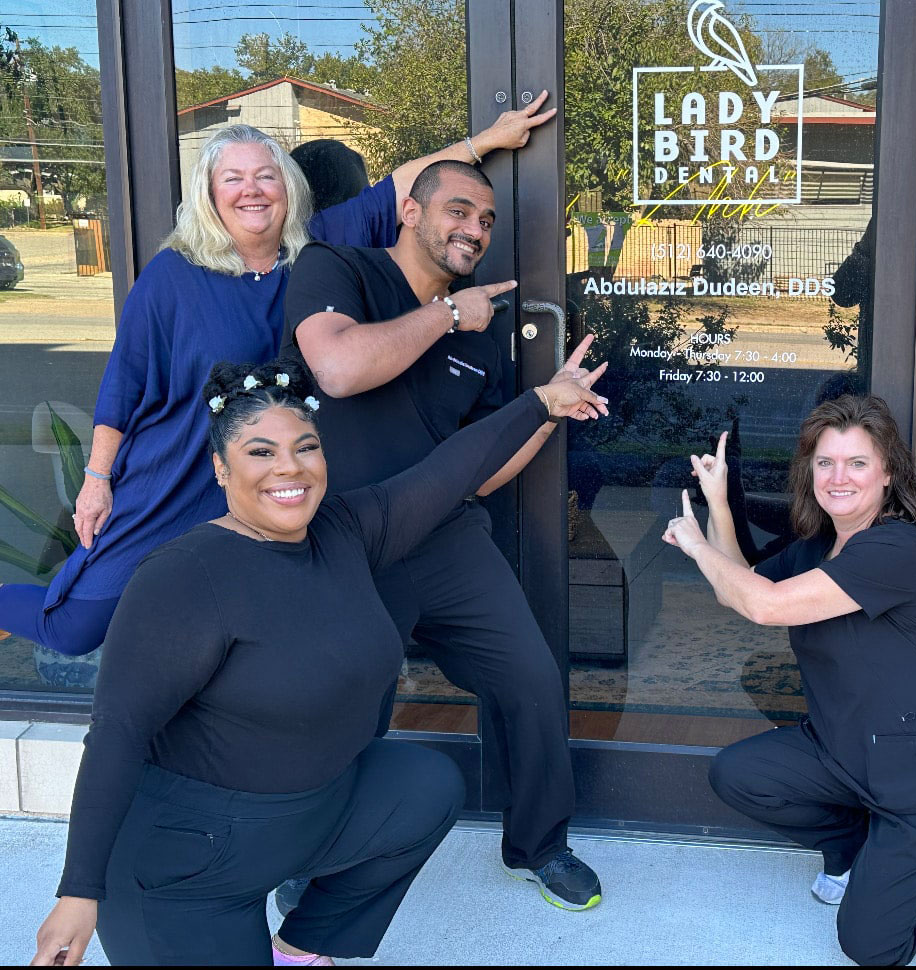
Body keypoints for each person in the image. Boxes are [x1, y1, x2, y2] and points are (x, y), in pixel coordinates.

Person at [29, 355, 608, 967]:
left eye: (306, 447)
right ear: (220, 469)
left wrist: (541, 402)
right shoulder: (182, 577)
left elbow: (447, 473)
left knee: (426, 785)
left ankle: (301, 947)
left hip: (308, 819)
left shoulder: (344, 530)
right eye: (260, 452)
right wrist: (78, 891)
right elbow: (118, 735)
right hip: (188, 864)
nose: (290, 467)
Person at [0, 94, 556, 658]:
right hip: (175, 474)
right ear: (210, 195)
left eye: (266, 176)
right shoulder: (173, 274)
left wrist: (486, 140)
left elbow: (398, 190)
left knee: (228, 632)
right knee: (77, 628)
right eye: (233, 178)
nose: (252, 190)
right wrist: (96, 479)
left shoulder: (312, 249)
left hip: (263, 481)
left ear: (287, 187)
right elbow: (124, 383)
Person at [283, 158, 603, 911]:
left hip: (447, 540)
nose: (476, 230)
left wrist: (548, 409)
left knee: (530, 679)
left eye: (487, 220)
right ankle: (315, 847)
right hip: (349, 537)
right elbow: (335, 367)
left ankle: (539, 845)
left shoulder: (486, 344)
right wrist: (451, 314)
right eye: (460, 211)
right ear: (411, 213)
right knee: (350, 705)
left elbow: (483, 472)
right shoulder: (340, 270)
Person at [662, 395, 916, 966]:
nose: (839, 477)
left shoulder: (897, 548)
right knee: (739, 774)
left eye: (858, 462)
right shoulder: (818, 549)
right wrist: (717, 501)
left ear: (888, 474)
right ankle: (855, 848)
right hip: (847, 751)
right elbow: (741, 587)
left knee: (870, 946)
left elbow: (764, 606)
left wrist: (693, 545)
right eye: (825, 463)